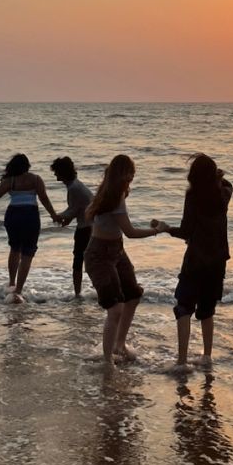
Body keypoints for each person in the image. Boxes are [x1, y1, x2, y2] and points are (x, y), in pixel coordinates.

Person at [152, 154, 233, 371]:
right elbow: (227, 183)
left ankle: (182, 360)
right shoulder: (224, 194)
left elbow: (186, 230)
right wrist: (217, 177)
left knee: (184, 307)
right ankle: (207, 356)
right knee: (207, 309)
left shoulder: (193, 196)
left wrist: (166, 228)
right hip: (217, 261)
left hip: (196, 260)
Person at [84, 154, 164, 366]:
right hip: (99, 255)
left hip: (116, 250)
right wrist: (157, 230)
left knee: (133, 296)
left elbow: (90, 215)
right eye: (130, 173)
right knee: (115, 308)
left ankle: (119, 344)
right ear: (122, 173)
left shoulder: (111, 191)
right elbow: (130, 232)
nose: (133, 177)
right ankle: (107, 359)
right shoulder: (112, 195)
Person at [0, 153, 59, 303]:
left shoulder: (9, 181)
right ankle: (18, 290)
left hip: (13, 215)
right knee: (28, 253)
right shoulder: (36, 179)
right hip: (30, 216)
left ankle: (12, 282)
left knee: (15, 249)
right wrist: (54, 215)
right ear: (27, 166)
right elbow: (44, 199)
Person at [50, 156, 93, 297]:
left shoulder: (73, 188)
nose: (55, 174)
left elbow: (73, 210)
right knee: (91, 260)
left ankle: (77, 294)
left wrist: (57, 216)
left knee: (78, 262)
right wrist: (66, 219)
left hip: (85, 228)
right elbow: (77, 208)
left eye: (56, 171)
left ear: (62, 172)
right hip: (91, 226)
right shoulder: (76, 185)